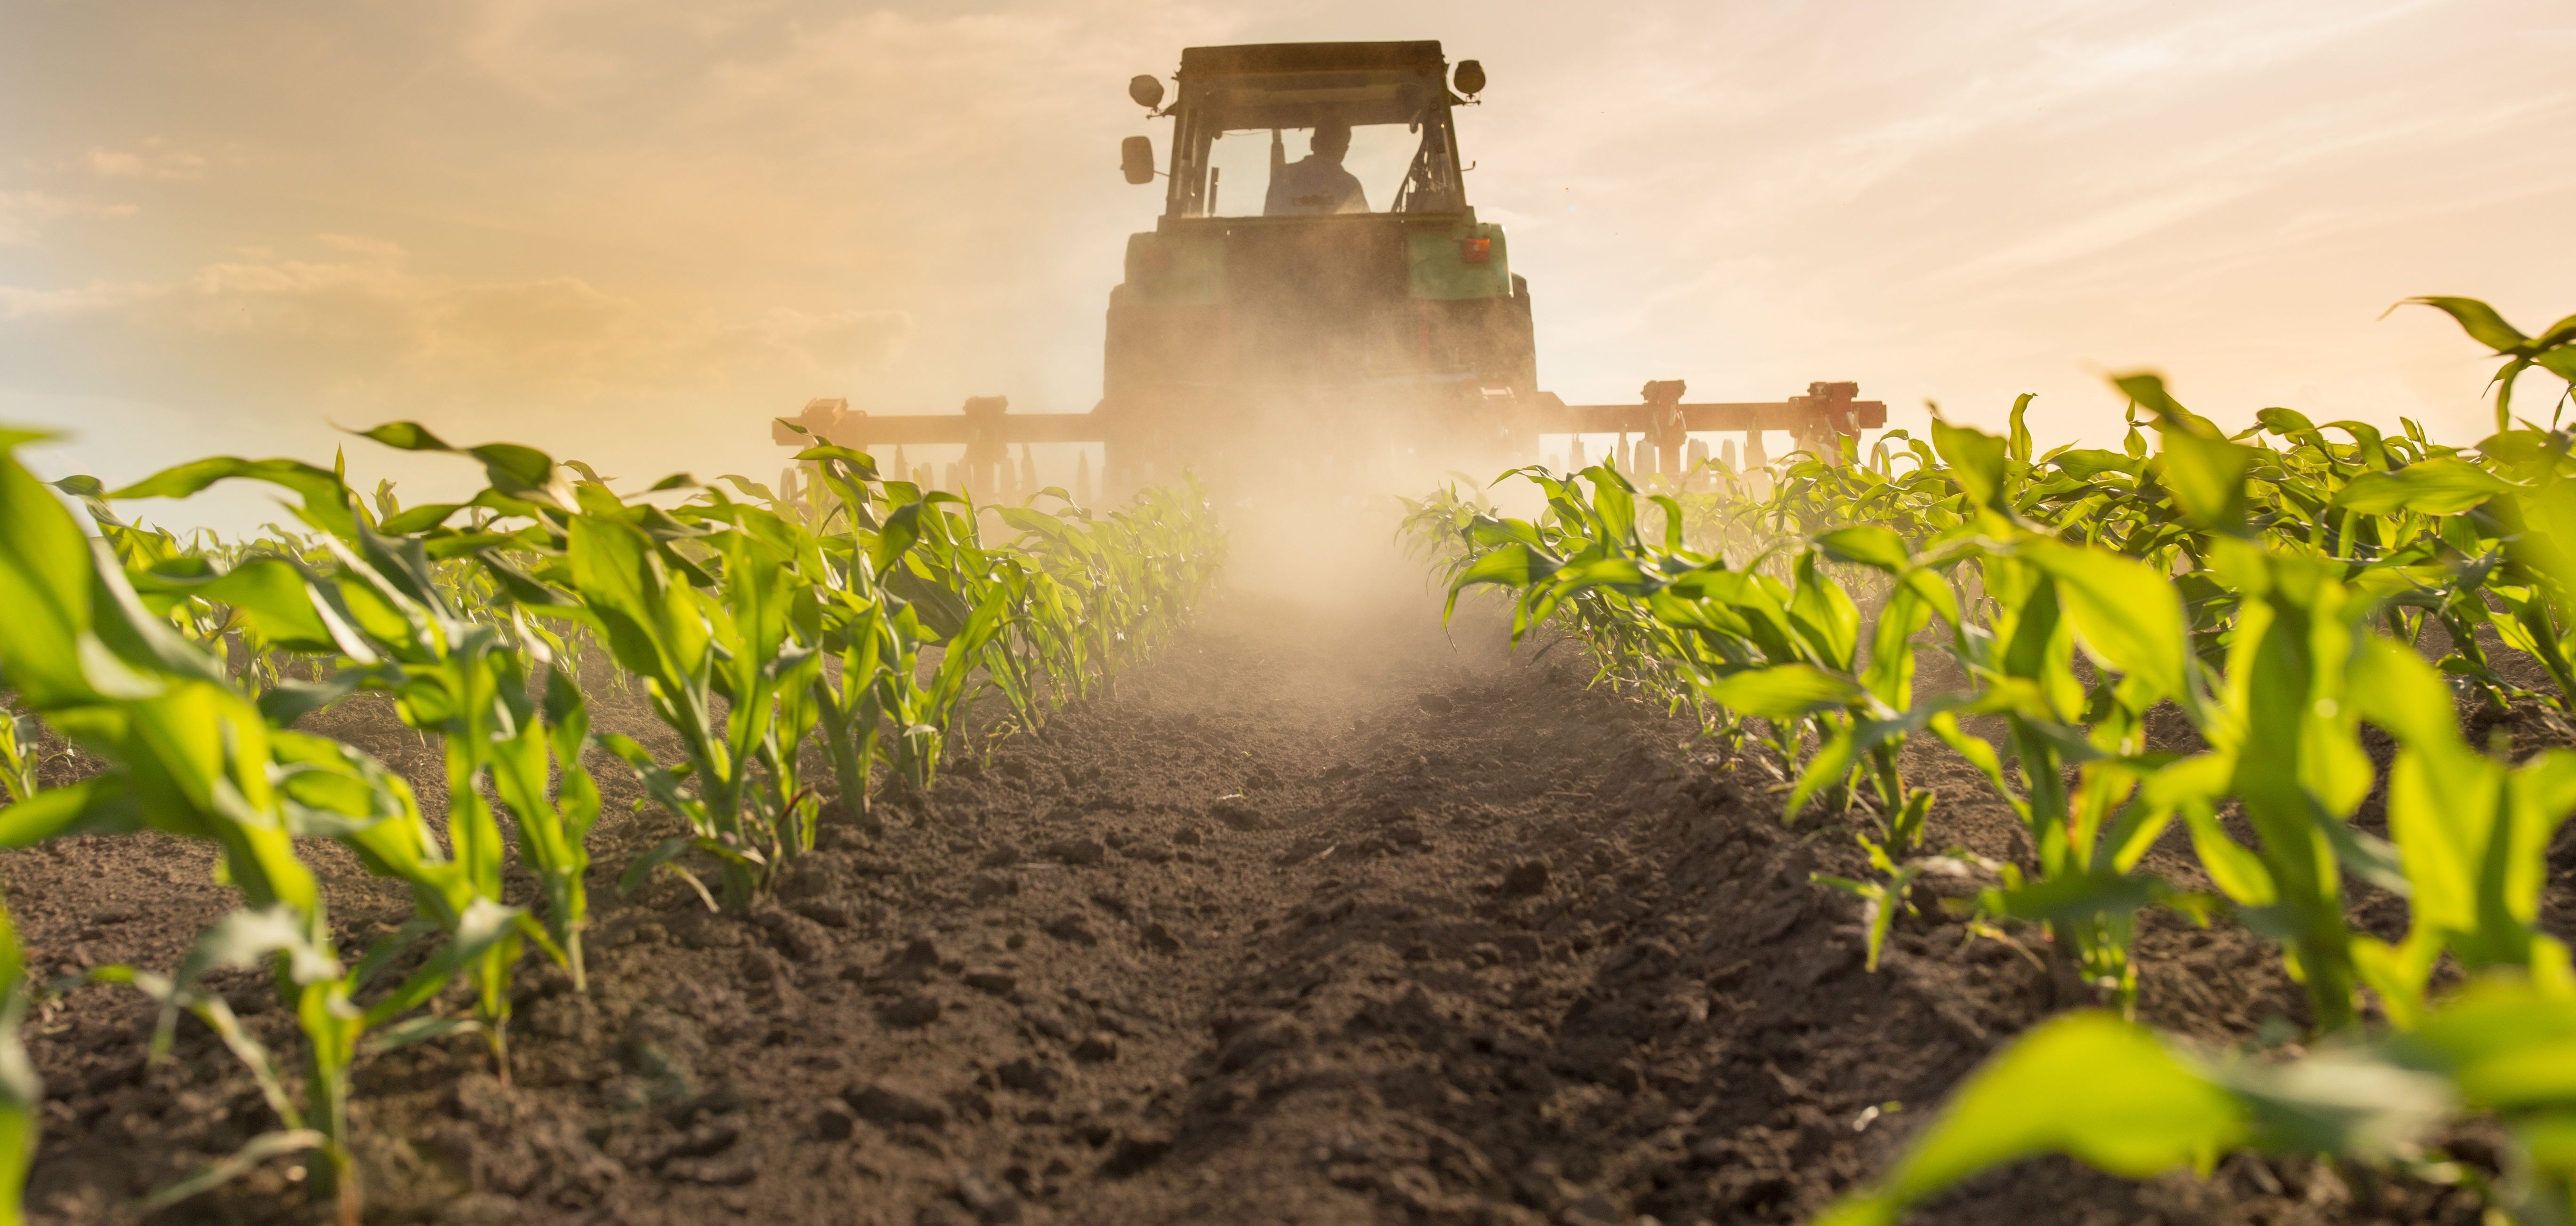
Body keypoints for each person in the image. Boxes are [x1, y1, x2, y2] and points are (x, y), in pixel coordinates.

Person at [1263, 116, 1368, 216]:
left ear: (1312, 143)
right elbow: (1367, 228)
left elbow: (1268, 224)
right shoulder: (1350, 185)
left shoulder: (1283, 175)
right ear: (1344, 150)